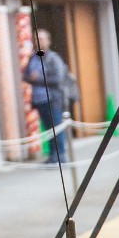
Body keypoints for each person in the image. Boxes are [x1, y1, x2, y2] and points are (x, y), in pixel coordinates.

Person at [23, 29, 71, 163]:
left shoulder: (52, 58)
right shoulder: (33, 57)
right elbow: (26, 75)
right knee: (48, 129)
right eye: (36, 39)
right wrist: (32, 78)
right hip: (39, 100)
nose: (39, 42)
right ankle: (52, 155)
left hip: (52, 98)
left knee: (56, 127)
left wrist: (37, 79)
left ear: (48, 41)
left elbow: (57, 79)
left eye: (42, 39)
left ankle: (60, 155)